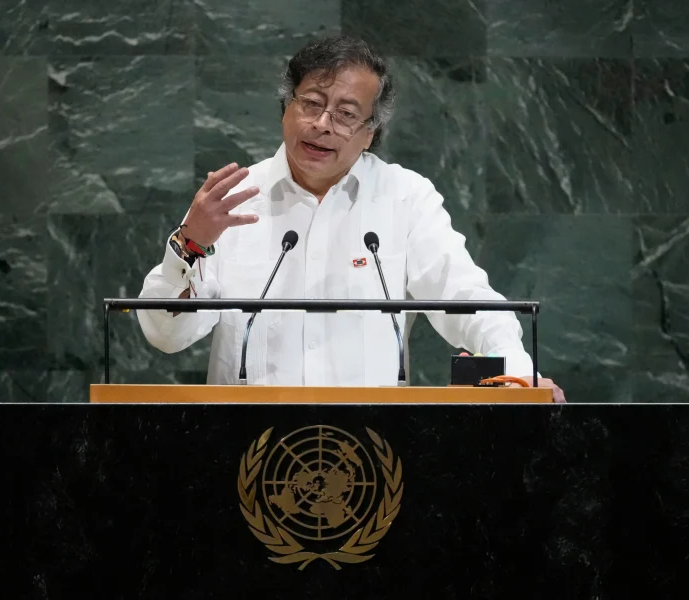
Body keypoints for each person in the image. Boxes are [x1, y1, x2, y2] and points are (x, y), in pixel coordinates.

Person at [137, 35, 566, 403]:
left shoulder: (404, 197)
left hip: (371, 454)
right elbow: (165, 335)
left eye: (345, 114)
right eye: (311, 103)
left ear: (370, 132)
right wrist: (190, 245)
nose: (322, 124)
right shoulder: (230, 200)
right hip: (251, 450)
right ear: (286, 108)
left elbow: (467, 300)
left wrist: (519, 378)